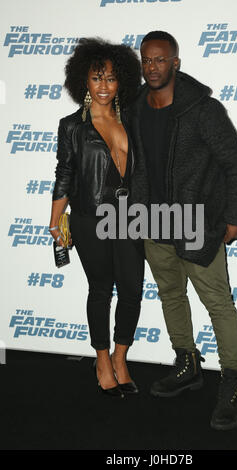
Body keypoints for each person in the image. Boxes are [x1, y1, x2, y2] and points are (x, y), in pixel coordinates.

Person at [129, 31, 237, 429]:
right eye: (146, 60)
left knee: (217, 302)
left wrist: (236, 216)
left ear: (175, 63)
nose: (152, 67)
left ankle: (233, 379)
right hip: (153, 221)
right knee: (170, 294)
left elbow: (236, 165)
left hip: (198, 223)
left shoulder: (203, 110)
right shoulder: (134, 106)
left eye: (160, 60)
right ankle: (186, 362)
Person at [49, 38, 144, 398]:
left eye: (111, 78)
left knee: (133, 290)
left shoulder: (131, 120)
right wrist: (55, 221)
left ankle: (121, 358)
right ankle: (102, 360)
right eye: (96, 78)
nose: (104, 86)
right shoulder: (72, 126)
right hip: (92, 218)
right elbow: (64, 174)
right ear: (83, 82)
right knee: (101, 290)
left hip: (130, 216)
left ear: (122, 82)